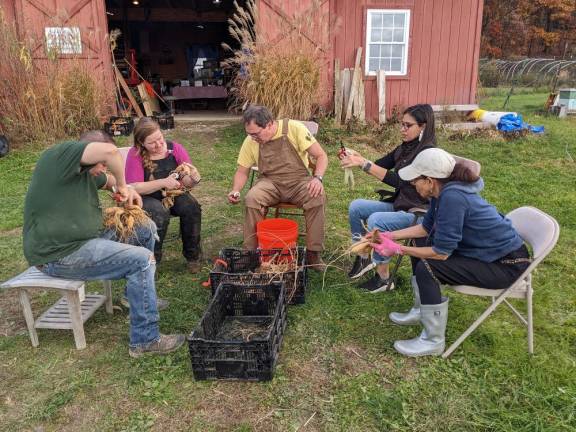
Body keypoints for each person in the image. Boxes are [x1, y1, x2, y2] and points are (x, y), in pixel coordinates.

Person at [23, 133, 185, 357]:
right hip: (60, 253)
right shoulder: (57, 159)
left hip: (87, 240)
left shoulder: (87, 172)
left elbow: (106, 181)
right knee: (141, 260)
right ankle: (145, 341)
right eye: (102, 164)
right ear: (89, 152)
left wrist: (123, 189)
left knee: (145, 227)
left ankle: (132, 296)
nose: (104, 168)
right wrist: (122, 183)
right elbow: (109, 153)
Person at [369, 148, 530, 357]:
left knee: (429, 267)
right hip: (491, 255)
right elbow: (426, 229)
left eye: (415, 180)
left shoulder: (453, 197)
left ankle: (432, 340)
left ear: (429, 180)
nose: (412, 184)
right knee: (421, 241)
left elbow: (441, 253)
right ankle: (421, 309)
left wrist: (398, 249)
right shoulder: (441, 192)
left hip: (507, 265)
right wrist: (390, 236)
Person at [340, 104, 436, 292]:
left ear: (423, 127)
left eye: (408, 125)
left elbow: (399, 181)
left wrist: (364, 164)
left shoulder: (427, 154)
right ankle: (363, 257)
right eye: (402, 124)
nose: (402, 129)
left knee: (377, 220)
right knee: (356, 207)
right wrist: (358, 158)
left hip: (418, 212)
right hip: (400, 205)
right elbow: (380, 165)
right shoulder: (406, 147)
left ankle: (385, 279)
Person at [227, 105, 329, 270]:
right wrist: (236, 189)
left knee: (317, 197)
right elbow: (242, 171)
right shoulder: (251, 141)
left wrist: (317, 178)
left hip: (299, 181)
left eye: (256, 133)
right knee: (252, 199)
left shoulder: (294, 129)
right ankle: (252, 253)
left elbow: (321, 155)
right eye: (249, 134)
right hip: (270, 183)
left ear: (269, 124)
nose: (253, 138)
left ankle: (313, 253)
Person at [125, 117, 202, 272]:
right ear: (141, 143)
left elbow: (185, 178)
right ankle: (152, 260)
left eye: (160, 138)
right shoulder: (135, 154)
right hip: (145, 197)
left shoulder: (174, 149)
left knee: (191, 207)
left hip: (171, 194)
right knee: (160, 213)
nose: (159, 144)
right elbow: (134, 187)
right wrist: (163, 182)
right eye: (152, 143)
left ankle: (193, 255)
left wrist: (193, 179)